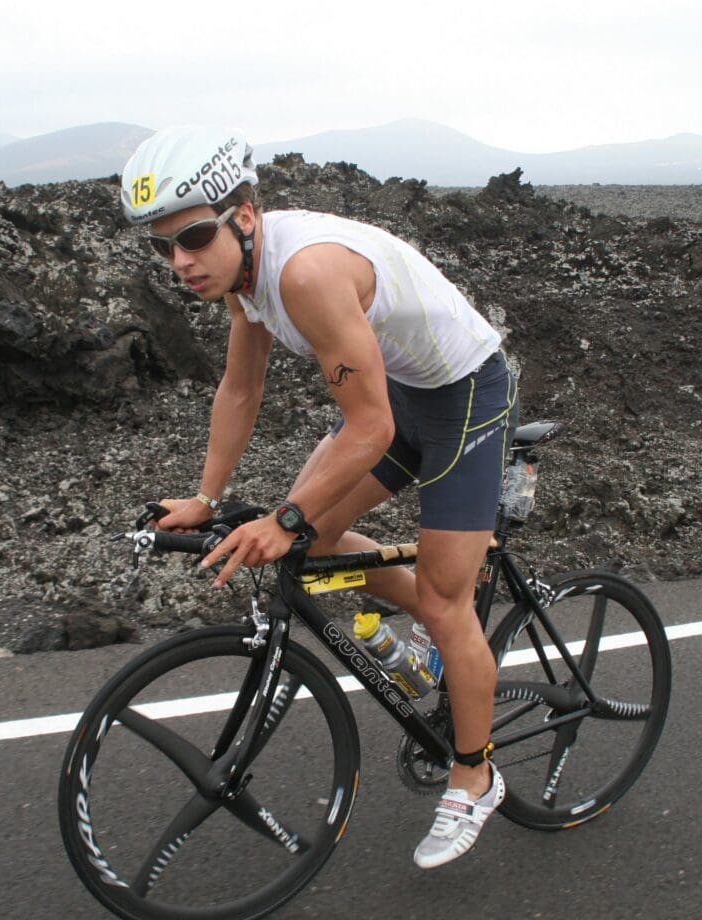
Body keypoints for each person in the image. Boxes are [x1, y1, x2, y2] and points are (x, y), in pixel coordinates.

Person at [121, 126, 519, 868]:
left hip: (466, 393)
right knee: (318, 540)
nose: (180, 262)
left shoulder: (303, 273)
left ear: (244, 215)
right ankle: (428, 649)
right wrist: (208, 498)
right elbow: (241, 388)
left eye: (194, 237)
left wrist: (284, 514)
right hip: (402, 393)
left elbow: (369, 427)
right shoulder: (243, 279)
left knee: (442, 598)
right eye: (163, 246)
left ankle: (475, 774)